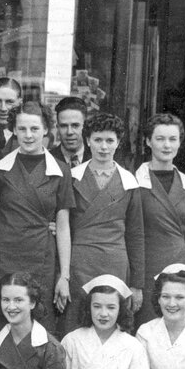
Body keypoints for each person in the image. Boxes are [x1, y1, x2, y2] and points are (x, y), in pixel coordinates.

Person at [0, 101, 75, 346]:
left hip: (40, 256)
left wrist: (64, 275)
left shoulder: (60, 171)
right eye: (22, 129)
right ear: (14, 131)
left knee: (39, 321)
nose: (28, 135)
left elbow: (63, 226)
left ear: (45, 130)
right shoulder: (1, 167)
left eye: (34, 128)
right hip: (2, 255)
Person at [62, 112, 144, 335]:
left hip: (115, 261)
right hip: (80, 262)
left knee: (113, 321)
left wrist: (137, 285)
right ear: (87, 141)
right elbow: (62, 224)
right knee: (78, 321)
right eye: (98, 140)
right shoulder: (72, 177)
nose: (104, 147)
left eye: (110, 140)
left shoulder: (129, 182)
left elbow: (136, 235)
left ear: (118, 142)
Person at [134, 113, 185, 328]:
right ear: (148, 141)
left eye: (173, 139)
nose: (166, 145)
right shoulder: (135, 182)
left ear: (180, 143)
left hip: (180, 267)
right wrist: (135, 282)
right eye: (160, 139)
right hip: (147, 266)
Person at [49, 97, 91, 167]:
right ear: (57, 128)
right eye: (64, 126)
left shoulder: (98, 158)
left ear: (85, 126)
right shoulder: (47, 160)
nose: (69, 132)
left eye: (75, 125)